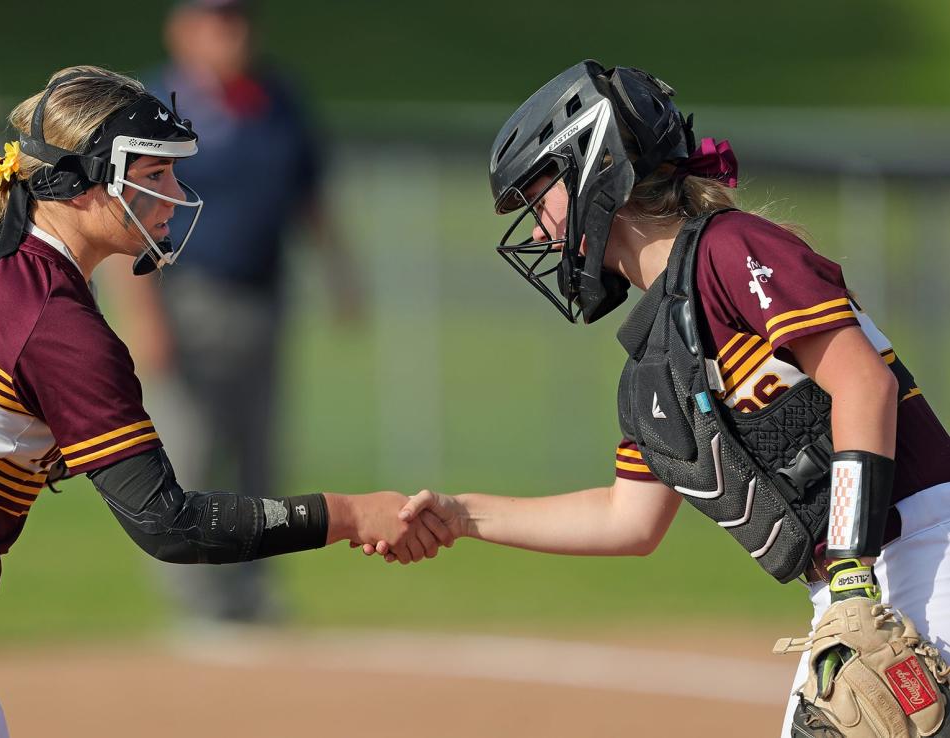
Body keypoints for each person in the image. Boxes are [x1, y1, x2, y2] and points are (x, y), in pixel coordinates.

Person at [0, 65, 441, 738]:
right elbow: (170, 526)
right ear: (82, 184)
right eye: (155, 172)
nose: (175, 191)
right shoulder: (61, 322)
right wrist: (349, 514)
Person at [371, 60, 950, 735]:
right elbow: (628, 520)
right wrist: (461, 514)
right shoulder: (653, 363)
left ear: (594, 169)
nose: (535, 230)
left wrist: (851, 568)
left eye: (538, 197)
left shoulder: (731, 251)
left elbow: (861, 382)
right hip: (851, 588)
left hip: (923, 550)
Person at [111, 0, 360, 626]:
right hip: (185, 300)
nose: (230, 33)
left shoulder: (276, 98)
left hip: (264, 297)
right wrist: (143, 318)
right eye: (214, 20)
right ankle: (196, 603)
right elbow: (122, 216)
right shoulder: (153, 105)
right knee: (189, 453)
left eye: (238, 20)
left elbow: (310, 197)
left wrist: (342, 275)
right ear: (181, 30)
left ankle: (253, 594)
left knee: (259, 455)